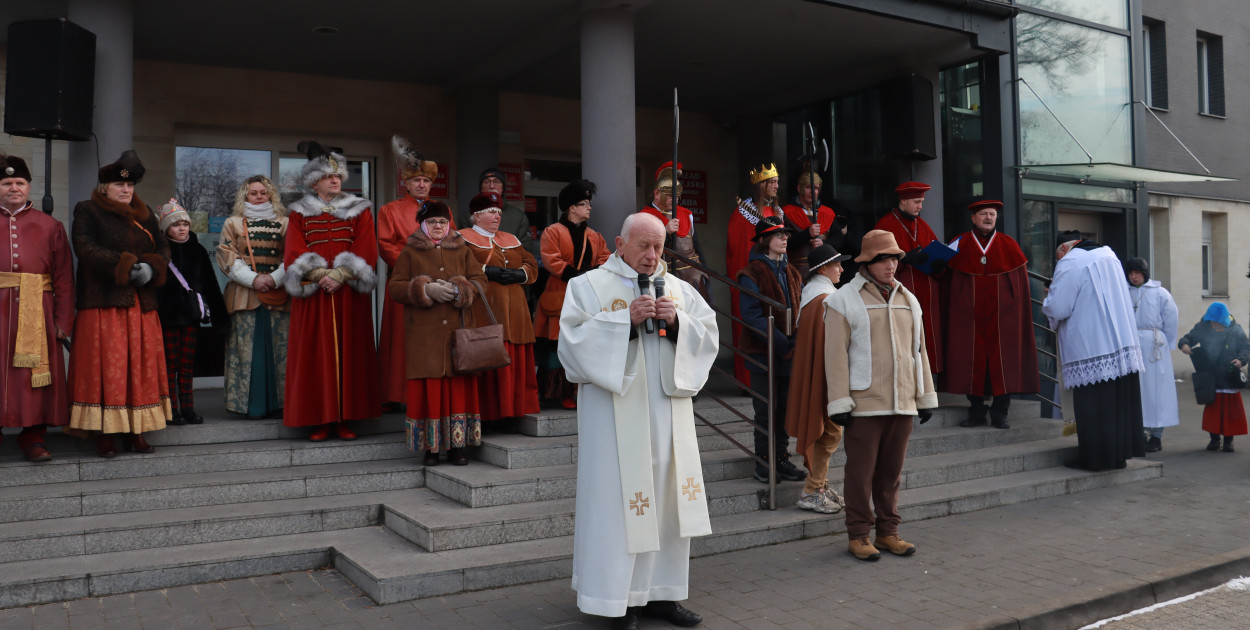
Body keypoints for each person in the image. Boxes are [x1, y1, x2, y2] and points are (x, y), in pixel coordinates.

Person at [560, 212, 718, 630]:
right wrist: (623, 323)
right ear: (620, 244)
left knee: (667, 504)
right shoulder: (587, 286)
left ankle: (662, 595)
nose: (652, 256)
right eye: (644, 246)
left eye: (659, 247)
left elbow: (709, 337)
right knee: (619, 506)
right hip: (614, 422)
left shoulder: (679, 289)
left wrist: (678, 322)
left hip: (668, 419)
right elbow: (570, 346)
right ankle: (617, 601)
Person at [826, 230, 938, 561]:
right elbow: (835, 355)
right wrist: (839, 400)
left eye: (894, 259)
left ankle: (888, 532)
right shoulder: (843, 299)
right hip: (863, 404)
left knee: (891, 475)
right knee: (860, 475)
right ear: (867, 263)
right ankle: (859, 535)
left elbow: (919, 351)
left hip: (903, 401)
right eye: (883, 260)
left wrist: (925, 395)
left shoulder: (909, 299)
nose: (891, 266)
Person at [67, 150, 172, 457]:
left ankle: (136, 430)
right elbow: (86, 248)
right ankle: (104, 432)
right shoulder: (88, 210)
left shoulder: (146, 214)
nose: (126, 190)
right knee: (107, 368)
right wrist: (126, 265)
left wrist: (152, 267)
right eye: (119, 185)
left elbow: (163, 247)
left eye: (129, 185)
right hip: (103, 303)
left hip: (142, 303)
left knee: (139, 368)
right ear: (105, 187)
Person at [283, 142, 381, 441]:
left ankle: (346, 419)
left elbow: (367, 246)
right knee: (315, 356)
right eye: (328, 176)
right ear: (314, 182)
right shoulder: (299, 212)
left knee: (351, 354)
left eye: (338, 175)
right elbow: (293, 250)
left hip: (348, 293)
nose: (335, 180)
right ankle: (320, 420)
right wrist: (319, 274)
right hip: (314, 295)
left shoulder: (359, 209)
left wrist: (340, 274)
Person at [388, 200, 486, 465]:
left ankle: (457, 447)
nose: (438, 226)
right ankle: (430, 448)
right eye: (432, 221)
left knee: (457, 390)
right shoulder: (410, 251)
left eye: (443, 221)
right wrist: (424, 289)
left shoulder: (462, 248)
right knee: (429, 390)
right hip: (424, 336)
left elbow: (480, 280)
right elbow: (395, 287)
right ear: (423, 224)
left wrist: (460, 289)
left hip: (457, 333)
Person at [1043, 232, 1145, 471]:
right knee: (1116, 405)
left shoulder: (1070, 262)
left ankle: (1095, 459)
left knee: (1094, 406)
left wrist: (1048, 299)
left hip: (1090, 346)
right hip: (1120, 344)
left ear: (1062, 248)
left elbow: (1059, 308)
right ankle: (1117, 457)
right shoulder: (1109, 254)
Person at [0, 151, 74, 462]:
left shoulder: (50, 225)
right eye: (6, 183)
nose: (13, 188)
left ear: (29, 187)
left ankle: (33, 437)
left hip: (39, 311)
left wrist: (63, 321)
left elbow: (64, 278)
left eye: (19, 182)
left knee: (33, 376)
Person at [945, 200, 1038, 429]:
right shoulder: (959, 244)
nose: (988, 218)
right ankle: (976, 412)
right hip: (969, 319)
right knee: (970, 361)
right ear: (973, 218)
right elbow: (943, 279)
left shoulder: (1009, 245)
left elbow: (1020, 290)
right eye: (983, 214)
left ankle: (1000, 414)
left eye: (992, 214)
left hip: (1003, 319)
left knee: (1004, 362)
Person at [460, 191, 540, 433]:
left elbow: (531, 264)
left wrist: (520, 274)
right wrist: (487, 271)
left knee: (515, 358)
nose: (497, 216)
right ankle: (489, 415)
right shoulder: (462, 238)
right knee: (489, 356)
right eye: (491, 212)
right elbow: (458, 266)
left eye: (498, 212)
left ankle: (513, 412)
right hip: (486, 311)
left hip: (516, 313)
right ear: (476, 216)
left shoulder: (510, 238)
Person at [736, 216, 807, 484]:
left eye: (786, 234)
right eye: (779, 235)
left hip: (789, 352)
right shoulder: (752, 272)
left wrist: (795, 339)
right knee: (765, 410)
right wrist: (781, 342)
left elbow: (801, 308)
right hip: (761, 352)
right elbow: (751, 315)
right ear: (765, 240)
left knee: (785, 410)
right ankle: (764, 462)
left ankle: (781, 458)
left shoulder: (792, 271)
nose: (785, 238)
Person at [216, 175, 290, 420]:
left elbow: (294, 255)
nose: (259, 197)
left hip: (278, 294)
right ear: (245, 196)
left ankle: (280, 404)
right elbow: (226, 254)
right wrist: (253, 279)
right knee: (246, 350)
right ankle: (250, 406)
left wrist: (275, 278)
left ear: (271, 195)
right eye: (253, 193)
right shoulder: (233, 223)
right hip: (244, 295)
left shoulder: (285, 223)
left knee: (280, 351)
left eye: (263, 192)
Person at [785, 244, 851, 514]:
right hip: (827, 377)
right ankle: (812, 490)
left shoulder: (815, 295)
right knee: (829, 431)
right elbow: (832, 345)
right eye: (837, 265)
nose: (842, 269)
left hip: (822, 374)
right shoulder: (824, 298)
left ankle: (820, 485)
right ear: (823, 269)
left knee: (829, 431)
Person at [535, 179, 610, 409]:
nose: (589, 207)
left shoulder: (594, 235)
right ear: (571, 207)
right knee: (559, 343)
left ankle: (580, 390)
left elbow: (605, 258)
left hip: (587, 296)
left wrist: (594, 274)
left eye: (588, 203)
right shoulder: (553, 231)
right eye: (584, 203)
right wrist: (576, 276)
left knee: (584, 342)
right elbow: (551, 259)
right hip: (560, 292)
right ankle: (561, 392)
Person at [378, 136, 439, 410]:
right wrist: (413, 266)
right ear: (406, 183)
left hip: (436, 284)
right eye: (416, 180)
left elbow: (452, 242)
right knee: (400, 340)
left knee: (431, 340)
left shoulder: (441, 210)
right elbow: (385, 245)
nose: (422, 185)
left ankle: (429, 391)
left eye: (426, 180)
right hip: (404, 283)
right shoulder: (390, 210)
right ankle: (396, 394)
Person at [155, 199, 227, 425]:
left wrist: (220, 319)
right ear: (166, 228)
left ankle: (188, 408)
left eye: (185, 224)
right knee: (169, 365)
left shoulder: (198, 250)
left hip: (191, 317)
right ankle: (171, 409)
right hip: (166, 317)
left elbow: (211, 285)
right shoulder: (159, 252)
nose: (182, 228)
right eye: (176, 225)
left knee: (187, 365)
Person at [873, 182, 943, 373]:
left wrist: (939, 266)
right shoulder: (885, 226)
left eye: (921, 202)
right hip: (901, 293)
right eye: (916, 202)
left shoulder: (923, 225)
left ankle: (929, 381)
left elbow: (935, 253)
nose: (920, 206)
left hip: (926, 294)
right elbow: (875, 262)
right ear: (903, 200)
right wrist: (903, 260)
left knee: (927, 341)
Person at [726, 163, 785, 386]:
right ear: (761, 185)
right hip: (753, 280)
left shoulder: (778, 212)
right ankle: (748, 381)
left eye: (777, 182)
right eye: (772, 182)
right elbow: (738, 249)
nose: (777, 186)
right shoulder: (743, 213)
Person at [1179, 303, 1249, 453]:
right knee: (1213, 411)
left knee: (1231, 412)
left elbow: (1245, 347)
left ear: (1225, 321)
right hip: (1210, 375)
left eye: (1218, 323)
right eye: (1213, 323)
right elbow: (1188, 338)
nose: (1215, 325)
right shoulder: (1203, 327)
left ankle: (1229, 441)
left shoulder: (1235, 329)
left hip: (1230, 375)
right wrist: (1184, 344)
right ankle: (1214, 439)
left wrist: (1241, 360)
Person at [1125, 257, 1179, 452]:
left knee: (1156, 391)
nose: (1134, 277)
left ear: (1145, 273)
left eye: (1137, 273)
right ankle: (1138, 432)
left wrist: (1166, 343)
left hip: (1154, 345)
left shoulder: (1160, 293)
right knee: (1136, 390)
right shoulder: (1124, 292)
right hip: (1132, 343)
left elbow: (1171, 319)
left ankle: (1156, 436)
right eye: (1131, 273)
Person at [638, 162, 708, 297]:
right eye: (671, 195)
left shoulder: (686, 214)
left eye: (677, 196)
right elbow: (644, 250)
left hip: (694, 277)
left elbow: (696, 246)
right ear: (657, 194)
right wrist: (665, 232)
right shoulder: (645, 216)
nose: (675, 200)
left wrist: (704, 270)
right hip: (665, 277)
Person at [469, 167, 539, 260]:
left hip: (511, 267)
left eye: (496, 182)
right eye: (487, 182)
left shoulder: (519, 216)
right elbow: (466, 251)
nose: (491, 186)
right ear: (481, 188)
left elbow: (526, 250)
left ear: (503, 187)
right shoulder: (470, 215)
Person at [781, 171, 834, 276]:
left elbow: (839, 239)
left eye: (816, 188)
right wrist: (807, 234)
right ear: (799, 188)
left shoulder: (828, 213)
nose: (813, 192)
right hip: (797, 270)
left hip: (824, 268)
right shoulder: (786, 212)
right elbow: (784, 242)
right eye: (808, 187)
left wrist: (824, 243)